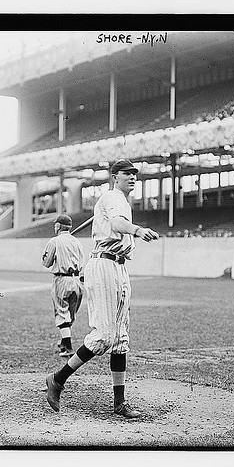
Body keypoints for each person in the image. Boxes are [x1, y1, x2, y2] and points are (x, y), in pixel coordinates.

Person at [45, 159, 160, 419]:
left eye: (134, 174)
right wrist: (138, 230)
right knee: (104, 337)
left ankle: (119, 403)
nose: (132, 177)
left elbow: (118, 225)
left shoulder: (119, 200)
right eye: (126, 173)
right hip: (105, 264)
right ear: (114, 177)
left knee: (120, 339)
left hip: (118, 266)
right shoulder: (113, 197)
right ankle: (58, 379)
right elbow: (119, 225)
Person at [41, 214, 85, 357]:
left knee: (61, 312)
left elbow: (46, 263)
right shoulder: (77, 242)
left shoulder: (54, 241)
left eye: (56, 225)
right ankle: (64, 342)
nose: (55, 226)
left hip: (62, 280)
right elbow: (83, 263)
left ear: (59, 226)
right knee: (70, 314)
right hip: (77, 280)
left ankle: (68, 347)